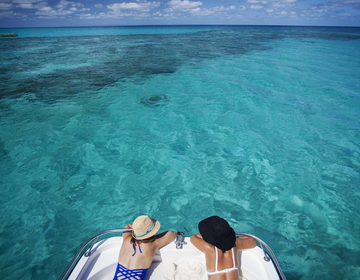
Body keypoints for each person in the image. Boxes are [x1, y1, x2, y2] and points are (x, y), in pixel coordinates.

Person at [190, 216, 257, 280]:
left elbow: (193, 237)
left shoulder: (209, 248)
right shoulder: (236, 244)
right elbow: (253, 241)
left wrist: (209, 237)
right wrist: (234, 238)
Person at [113, 215, 177, 280]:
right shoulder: (151, 245)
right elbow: (172, 234)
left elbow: (128, 226)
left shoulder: (126, 239)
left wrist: (138, 229)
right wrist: (154, 237)